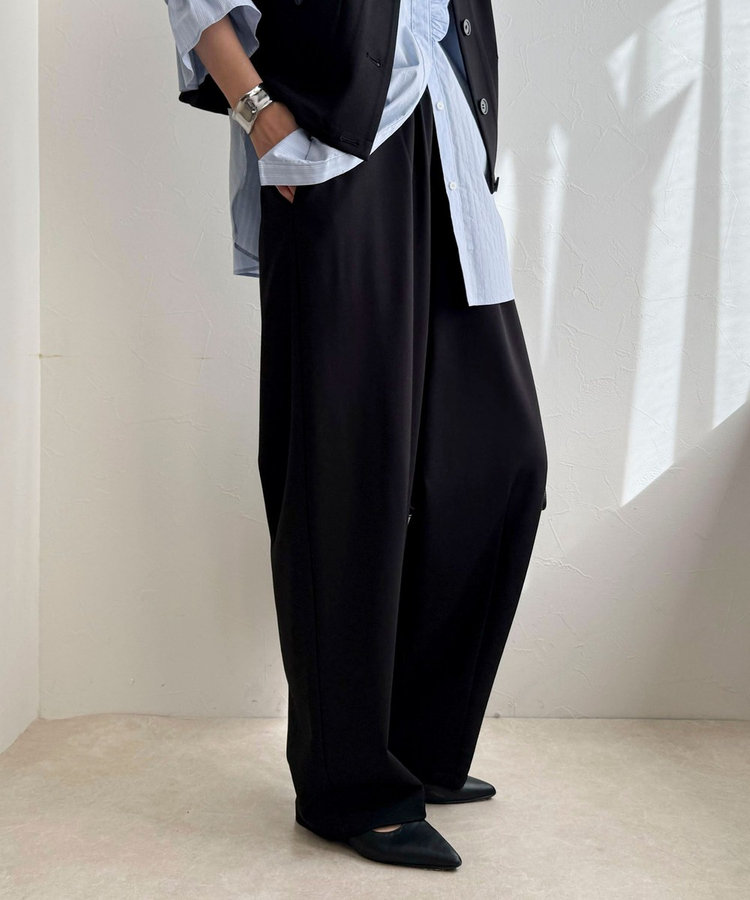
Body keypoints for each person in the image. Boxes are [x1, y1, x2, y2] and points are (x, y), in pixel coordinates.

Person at [164, 0, 548, 870]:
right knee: (345, 468)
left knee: (503, 459)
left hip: (443, 125)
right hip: (335, 144)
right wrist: (261, 117)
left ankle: (413, 746)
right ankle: (350, 786)